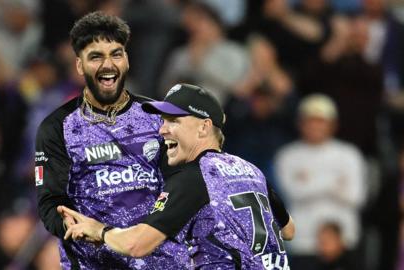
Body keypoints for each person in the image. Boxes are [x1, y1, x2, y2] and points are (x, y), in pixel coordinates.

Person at [59, 83, 295, 269]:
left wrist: (98, 230)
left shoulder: (194, 177)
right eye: (162, 120)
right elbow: (289, 230)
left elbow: (136, 244)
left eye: (173, 121)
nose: (162, 130)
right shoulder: (251, 170)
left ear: (204, 127)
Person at [35, 12, 190, 269]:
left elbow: (181, 186)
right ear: (79, 65)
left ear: (126, 60)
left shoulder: (157, 116)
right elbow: (51, 202)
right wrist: (73, 226)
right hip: (95, 262)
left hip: (163, 261)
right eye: (96, 57)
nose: (108, 65)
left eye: (116, 54)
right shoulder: (56, 128)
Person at [274, 94, 366, 270]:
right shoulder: (287, 156)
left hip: (344, 242)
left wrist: (310, 181)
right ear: (300, 123)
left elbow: (356, 197)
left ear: (333, 125)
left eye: (321, 121)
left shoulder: (350, 154)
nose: (315, 126)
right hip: (303, 243)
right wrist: (334, 183)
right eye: (310, 121)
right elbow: (293, 193)